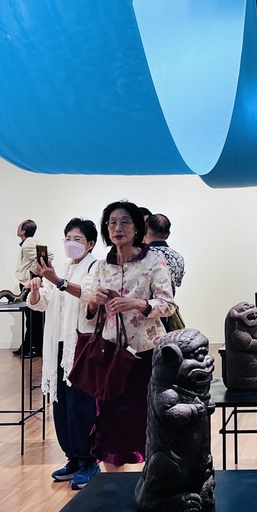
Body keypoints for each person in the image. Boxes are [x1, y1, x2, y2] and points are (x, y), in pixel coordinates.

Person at [81, 201, 176, 472]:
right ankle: (113, 483)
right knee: (109, 420)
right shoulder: (101, 266)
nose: (117, 228)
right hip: (110, 354)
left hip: (145, 354)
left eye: (124, 222)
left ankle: (152, 479)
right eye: (112, 222)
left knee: (145, 418)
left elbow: (168, 305)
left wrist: (137, 303)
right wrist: (93, 301)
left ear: (137, 228)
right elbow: (90, 314)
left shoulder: (152, 262)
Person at [26, 218, 100, 488]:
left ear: (90, 244)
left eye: (77, 239)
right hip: (56, 342)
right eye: (67, 238)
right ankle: (73, 457)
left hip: (80, 343)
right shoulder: (64, 268)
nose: (71, 243)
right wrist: (36, 290)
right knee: (60, 403)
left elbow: (90, 295)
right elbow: (41, 303)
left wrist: (56, 280)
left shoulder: (95, 267)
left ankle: (89, 459)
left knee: (81, 403)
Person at [13, 219, 44, 357]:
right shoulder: (30, 242)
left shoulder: (28, 243)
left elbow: (47, 256)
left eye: (19, 226)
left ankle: (33, 346)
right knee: (32, 316)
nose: (17, 228)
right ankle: (28, 346)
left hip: (29, 283)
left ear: (23, 231)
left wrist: (33, 271)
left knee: (32, 316)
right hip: (30, 282)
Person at [143, 213, 185, 296]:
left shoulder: (142, 255)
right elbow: (178, 283)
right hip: (167, 303)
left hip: (144, 303)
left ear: (145, 231)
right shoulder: (178, 258)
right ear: (168, 235)